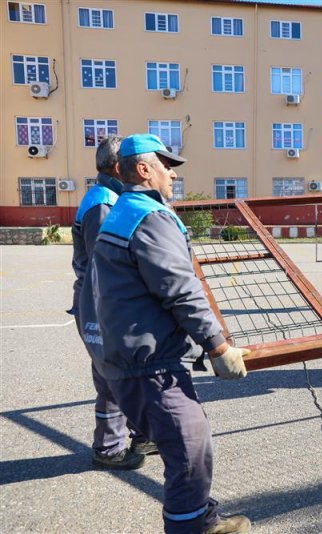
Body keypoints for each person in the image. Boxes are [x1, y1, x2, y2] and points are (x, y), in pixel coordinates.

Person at [92, 133, 251, 534]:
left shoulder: (127, 210)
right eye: (166, 167)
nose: (173, 176)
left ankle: (203, 518)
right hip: (148, 363)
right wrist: (217, 347)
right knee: (188, 449)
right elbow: (180, 291)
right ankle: (194, 527)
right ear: (144, 170)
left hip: (132, 356)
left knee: (186, 446)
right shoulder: (149, 218)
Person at [69, 135, 156, 470]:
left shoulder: (111, 196)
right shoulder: (103, 204)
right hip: (101, 304)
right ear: (121, 167)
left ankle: (141, 434)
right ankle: (108, 449)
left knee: (128, 372)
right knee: (111, 376)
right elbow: (104, 266)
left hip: (108, 302)